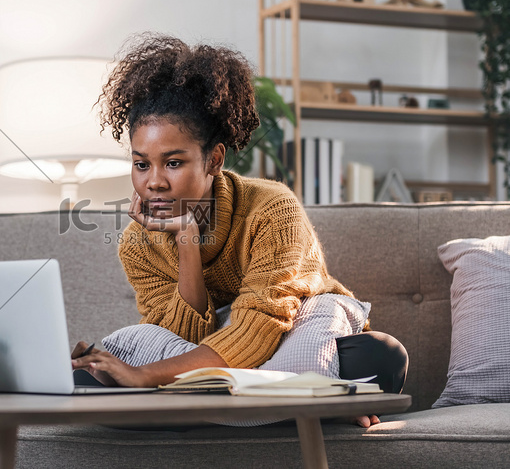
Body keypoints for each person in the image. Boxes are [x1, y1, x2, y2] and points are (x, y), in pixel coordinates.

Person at [71, 34, 406, 428]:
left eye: (173, 163)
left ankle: (191, 408)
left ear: (213, 159)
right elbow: (179, 339)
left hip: (287, 331)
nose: (154, 182)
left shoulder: (271, 208)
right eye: (142, 164)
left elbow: (260, 326)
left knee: (380, 356)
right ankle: (302, 405)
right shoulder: (137, 245)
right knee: (85, 377)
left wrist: (144, 377)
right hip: (208, 356)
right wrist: (188, 245)